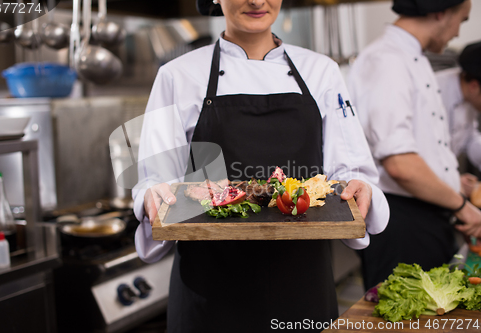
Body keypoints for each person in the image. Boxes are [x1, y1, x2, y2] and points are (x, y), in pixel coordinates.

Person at [134, 0, 389, 332]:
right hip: (209, 286)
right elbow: (155, 178)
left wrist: (359, 188)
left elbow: (351, 170)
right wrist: (151, 196)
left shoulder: (321, 71)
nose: (256, 1)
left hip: (301, 281)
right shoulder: (175, 75)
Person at [347, 0, 481, 291]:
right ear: (440, 12)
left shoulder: (411, 57)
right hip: (402, 221)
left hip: (427, 214)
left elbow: (423, 148)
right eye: (462, 19)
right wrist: (464, 208)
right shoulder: (387, 60)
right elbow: (400, 165)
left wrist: (452, 184)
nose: (458, 32)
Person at [435, 41, 481, 198]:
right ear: (474, 86)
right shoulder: (435, 91)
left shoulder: (469, 95)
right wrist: (453, 180)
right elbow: (422, 154)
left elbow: (470, 138)